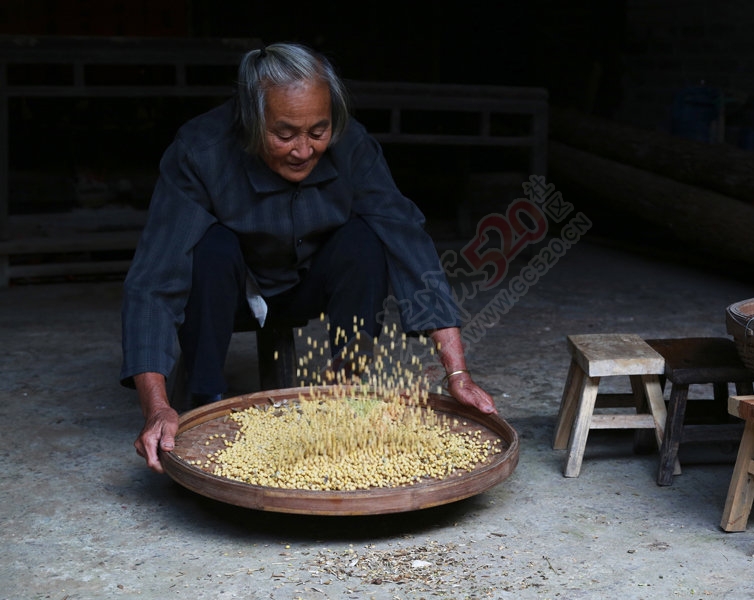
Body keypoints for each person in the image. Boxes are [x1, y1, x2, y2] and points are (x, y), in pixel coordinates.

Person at [121, 42, 497, 474]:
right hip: (228, 296)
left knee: (366, 238)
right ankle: (207, 402)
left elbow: (406, 239)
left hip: (307, 287)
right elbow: (153, 279)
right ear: (250, 118)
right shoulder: (200, 150)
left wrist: (457, 374)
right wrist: (156, 407)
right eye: (285, 135)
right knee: (211, 246)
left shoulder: (351, 143)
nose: (304, 150)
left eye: (318, 132)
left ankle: (346, 384)